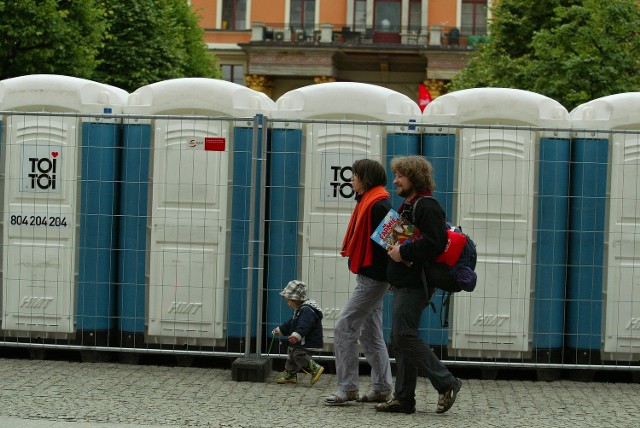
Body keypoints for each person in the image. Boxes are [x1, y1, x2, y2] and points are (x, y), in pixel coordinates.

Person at [375, 155, 462, 415]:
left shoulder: (427, 206)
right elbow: (401, 241)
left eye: (400, 175)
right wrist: (395, 271)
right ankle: (403, 399)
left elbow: (434, 244)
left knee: (404, 336)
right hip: (406, 281)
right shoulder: (409, 205)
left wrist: (403, 253)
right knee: (400, 338)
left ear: (414, 177)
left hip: (418, 283)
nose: (395, 180)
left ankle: (446, 382)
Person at [325, 159, 394, 405]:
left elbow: (396, 241)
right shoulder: (371, 202)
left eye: (355, 175)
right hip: (372, 277)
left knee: (345, 327)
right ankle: (383, 387)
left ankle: (348, 388)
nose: (351, 179)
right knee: (370, 333)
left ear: (365, 178)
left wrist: (392, 276)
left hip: (373, 280)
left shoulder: (379, 205)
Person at [272, 280, 325, 385]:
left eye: (288, 301)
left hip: (308, 341)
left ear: (295, 299)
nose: (288, 304)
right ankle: (291, 375)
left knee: (298, 354)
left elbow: (304, 325)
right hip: (301, 340)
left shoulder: (306, 310)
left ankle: (315, 368)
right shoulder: (299, 310)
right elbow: (290, 323)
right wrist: (280, 330)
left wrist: (297, 336)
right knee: (292, 355)